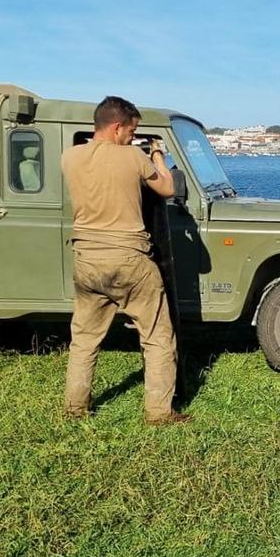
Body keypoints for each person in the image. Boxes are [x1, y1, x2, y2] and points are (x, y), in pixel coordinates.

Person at [60, 96, 189, 425]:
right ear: (117, 127)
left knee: (85, 340)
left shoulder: (69, 157)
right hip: (130, 260)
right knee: (158, 337)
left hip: (86, 260)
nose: (133, 137)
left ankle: (76, 410)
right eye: (132, 130)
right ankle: (159, 413)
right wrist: (157, 154)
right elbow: (168, 188)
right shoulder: (134, 157)